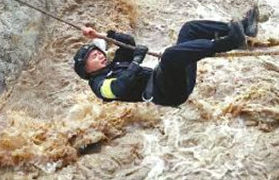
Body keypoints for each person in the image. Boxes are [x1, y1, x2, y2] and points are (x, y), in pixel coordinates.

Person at [72, 6, 259, 107]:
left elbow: (127, 42)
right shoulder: (99, 85)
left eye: (98, 52)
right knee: (169, 56)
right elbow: (120, 88)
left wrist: (101, 35)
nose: (100, 56)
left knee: (189, 29)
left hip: (175, 79)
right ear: (86, 70)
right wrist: (136, 61)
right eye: (94, 57)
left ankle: (243, 29)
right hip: (168, 93)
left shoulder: (116, 64)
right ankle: (231, 41)